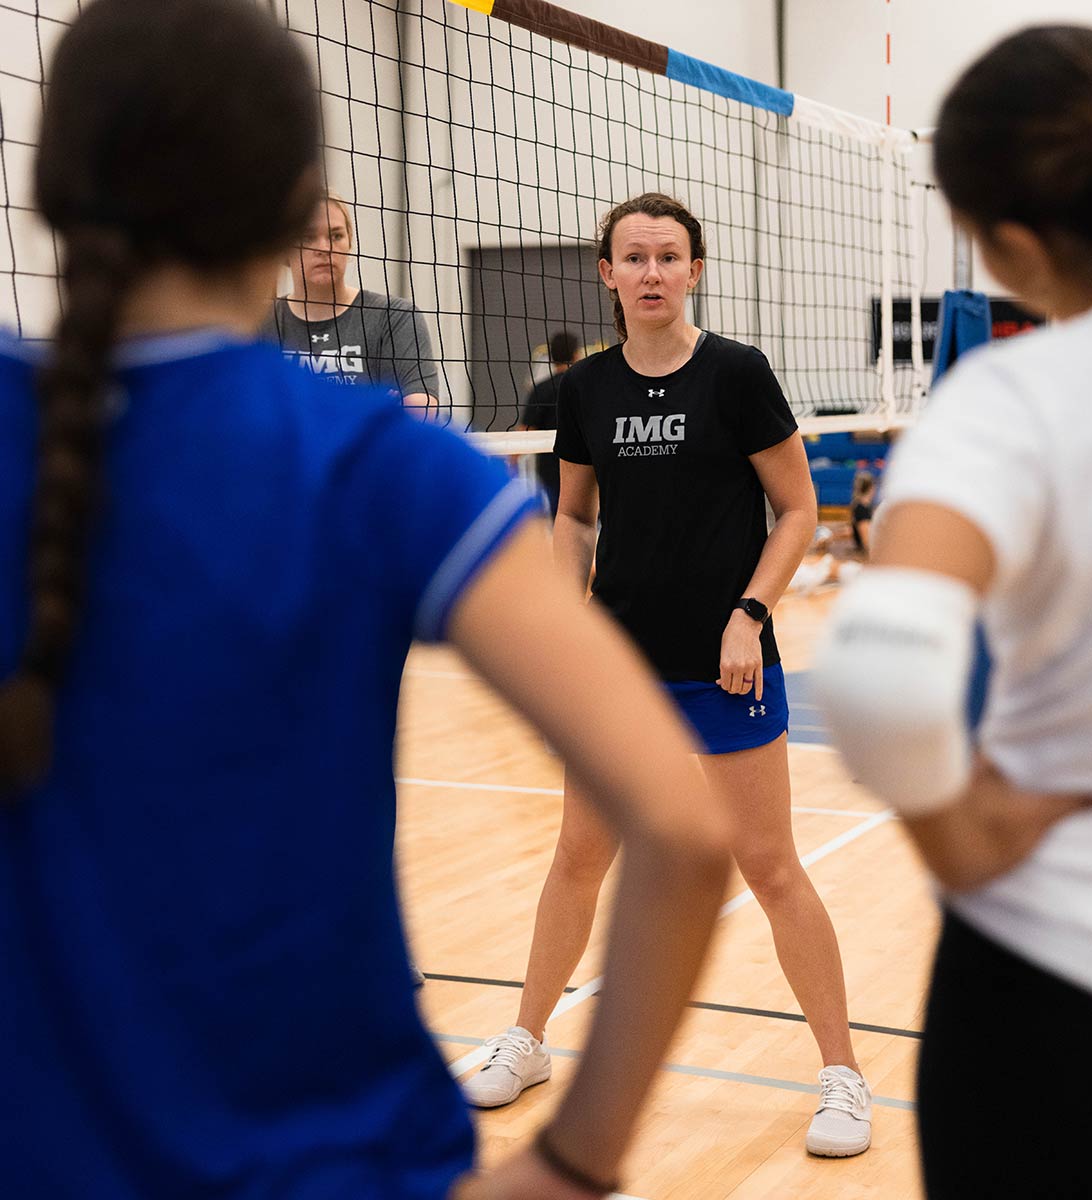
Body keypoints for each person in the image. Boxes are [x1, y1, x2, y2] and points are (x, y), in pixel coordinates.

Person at [0, 5, 733, 1199]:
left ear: (47, 185)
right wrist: (571, 1163)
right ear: (299, 210)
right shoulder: (376, 469)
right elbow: (683, 829)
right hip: (343, 1163)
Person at [812, 25, 1092, 1198]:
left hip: (1063, 1001)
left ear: (1014, 244)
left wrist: (967, 840)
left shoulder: (1014, 400)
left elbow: (879, 676)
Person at [465, 192, 873, 1159]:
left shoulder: (737, 374)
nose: (651, 272)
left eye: (668, 257)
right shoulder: (585, 390)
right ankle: (528, 1041)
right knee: (577, 857)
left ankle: (843, 1073)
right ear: (606, 274)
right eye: (633, 258)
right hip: (620, 667)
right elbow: (572, 517)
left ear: (695, 269)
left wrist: (753, 614)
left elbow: (798, 511)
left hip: (726, 664)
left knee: (768, 866)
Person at [264, 189, 442, 416]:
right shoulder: (261, 323)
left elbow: (422, 410)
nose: (324, 248)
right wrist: (373, 411)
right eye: (308, 237)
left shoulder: (395, 317)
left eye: (336, 236)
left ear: (349, 242)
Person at [516, 330, 582, 518]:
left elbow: (524, 432)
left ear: (551, 358)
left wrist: (507, 467)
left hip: (552, 471)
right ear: (576, 354)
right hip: (584, 467)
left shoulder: (542, 389)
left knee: (561, 520)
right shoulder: (586, 386)